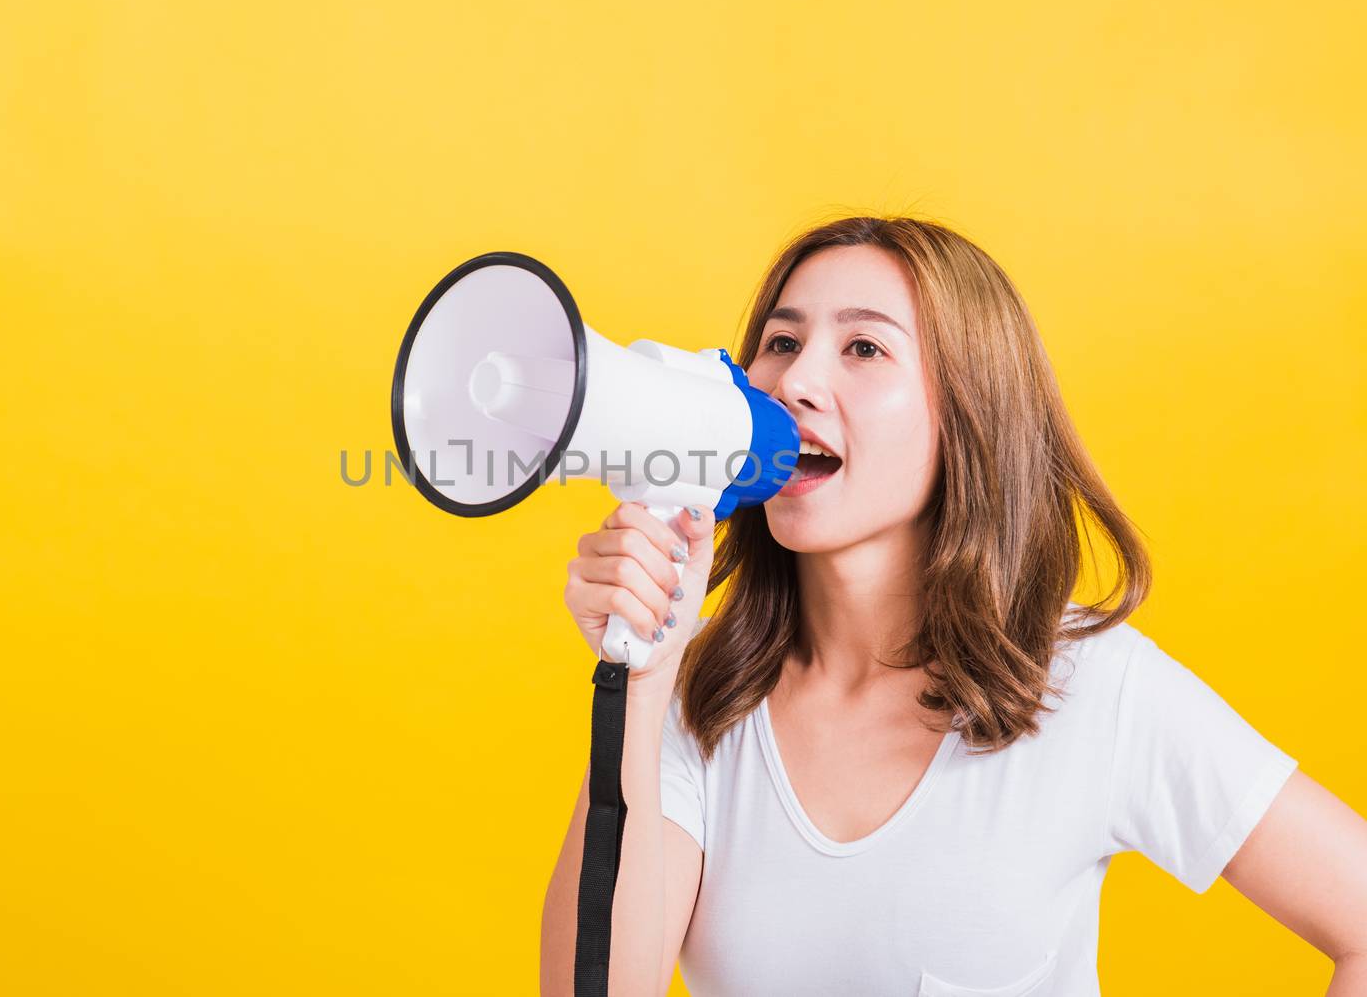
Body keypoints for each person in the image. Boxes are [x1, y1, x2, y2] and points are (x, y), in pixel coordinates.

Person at [539, 216, 1367, 996]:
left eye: (863, 347)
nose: (796, 379)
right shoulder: (704, 692)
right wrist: (641, 682)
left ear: (966, 412)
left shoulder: (1091, 688)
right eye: (781, 342)